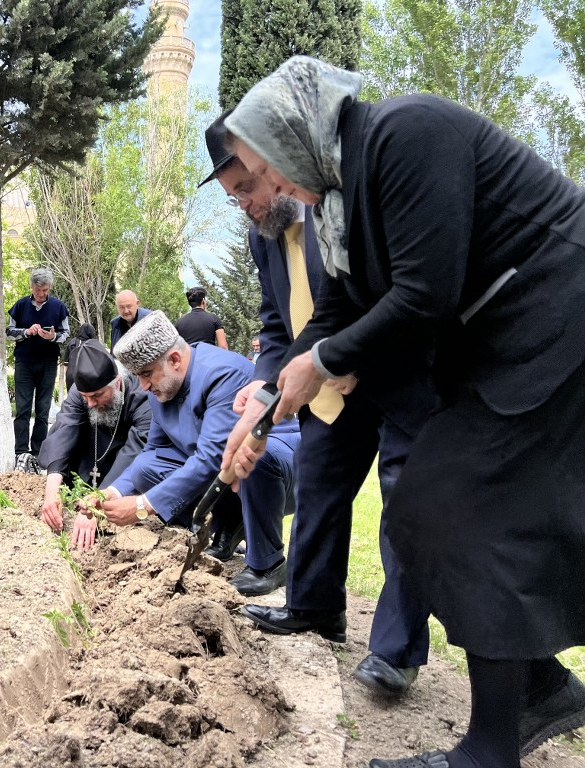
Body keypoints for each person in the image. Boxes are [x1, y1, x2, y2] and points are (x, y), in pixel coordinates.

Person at [224, 55, 585, 767]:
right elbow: (338, 310)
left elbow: (425, 294)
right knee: (430, 508)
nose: (271, 188)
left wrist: (324, 363)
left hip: (556, 321)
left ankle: (492, 745)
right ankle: (539, 688)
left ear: (297, 129)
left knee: (456, 502)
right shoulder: (339, 199)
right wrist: (267, 399)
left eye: (266, 170)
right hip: (508, 346)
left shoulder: (404, 133)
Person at [201, 110, 435, 695]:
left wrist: (350, 356)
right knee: (318, 485)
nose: (249, 205)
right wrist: (264, 383)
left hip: (391, 373)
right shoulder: (264, 242)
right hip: (323, 388)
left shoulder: (338, 205)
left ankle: (395, 649)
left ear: (272, 165)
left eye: (248, 187)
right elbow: (276, 326)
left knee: (405, 504)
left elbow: (384, 290)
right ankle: (314, 606)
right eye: (235, 198)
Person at [73, 310, 300, 597]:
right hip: (226, 476)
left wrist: (142, 506)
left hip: (279, 465)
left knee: (250, 455)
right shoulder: (162, 387)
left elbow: (211, 459)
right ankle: (227, 526)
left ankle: (268, 563)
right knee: (146, 470)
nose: (142, 386)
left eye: (146, 374)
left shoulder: (222, 375)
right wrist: (113, 492)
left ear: (175, 360)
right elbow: (153, 452)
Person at [39, 339, 153, 530]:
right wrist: (51, 492)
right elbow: (65, 428)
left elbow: (137, 449)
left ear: (117, 383)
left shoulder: (141, 395)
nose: (90, 403)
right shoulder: (83, 391)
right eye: (85, 397)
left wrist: (98, 504)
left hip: (123, 468)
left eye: (97, 396)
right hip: (90, 460)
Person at [6, 268, 70, 462]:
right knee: (23, 409)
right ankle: (21, 452)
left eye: (45, 290)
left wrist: (53, 337)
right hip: (24, 363)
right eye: (38, 290)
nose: (42, 294)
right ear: (32, 287)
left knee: (43, 410)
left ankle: (38, 452)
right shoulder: (20, 305)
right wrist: (26, 332)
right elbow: (9, 332)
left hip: (48, 363)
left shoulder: (59, 307)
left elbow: (65, 333)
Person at [64, 323, 97, 392]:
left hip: (70, 376)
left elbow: (66, 364)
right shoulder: (93, 344)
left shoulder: (71, 343)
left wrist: (67, 377)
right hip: (86, 377)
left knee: (72, 399)